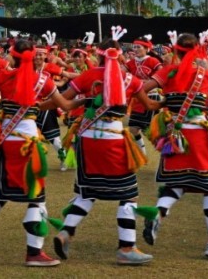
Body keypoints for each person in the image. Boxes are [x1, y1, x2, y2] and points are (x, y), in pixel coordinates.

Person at [0, 38, 71, 267]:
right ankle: (34, 253)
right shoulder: (44, 81)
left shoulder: (3, 76)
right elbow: (65, 104)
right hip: (28, 145)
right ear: (34, 57)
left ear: (12, 56)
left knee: (1, 194)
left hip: (4, 143)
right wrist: (86, 97)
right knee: (37, 198)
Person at [53, 38, 158, 265]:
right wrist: (169, 102)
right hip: (113, 141)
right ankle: (126, 247)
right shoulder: (130, 80)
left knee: (87, 193)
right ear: (119, 55)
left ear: (97, 55)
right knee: (129, 195)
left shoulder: (87, 76)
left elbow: (63, 101)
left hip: (87, 139)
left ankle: (65, 232)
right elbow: (149, 105)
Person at [141, 32, 208, 259]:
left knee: (175, 184)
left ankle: (158, 214)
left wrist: (157, 103)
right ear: (197, 51)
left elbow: (140, 88)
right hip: (199, 137)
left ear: (176, 50)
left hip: (175, 137)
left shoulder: (167, 71)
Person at [125, 35, 163, 154]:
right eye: (134, 47)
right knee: (133, 128)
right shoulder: (130, 63)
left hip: (151, 96)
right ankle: (142, 152)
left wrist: (143, 82)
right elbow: (122, 73)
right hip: (137, 98)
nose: (135, 49)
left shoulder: (153, 61)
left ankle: (165, 150)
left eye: (138, 47)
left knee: (148, 129)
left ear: (146, 49)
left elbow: (161, 76)